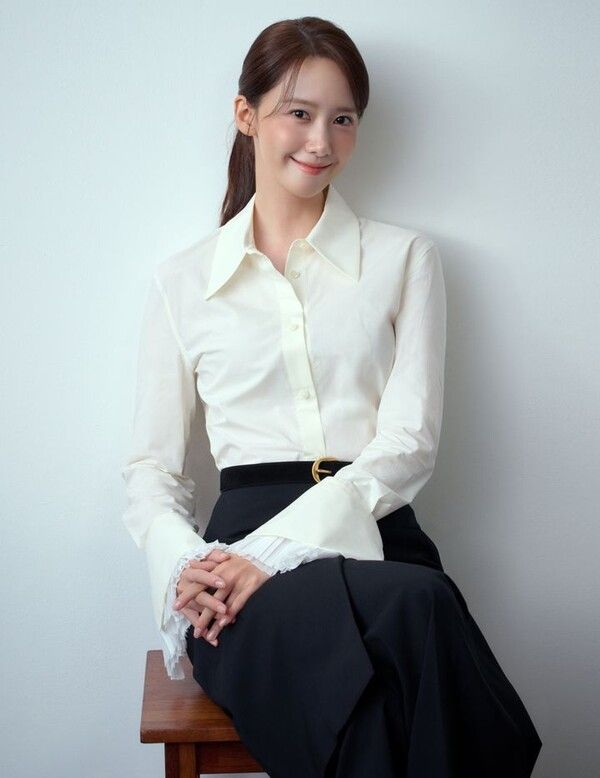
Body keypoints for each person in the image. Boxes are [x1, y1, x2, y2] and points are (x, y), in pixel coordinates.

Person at [121, 15, 543, 778]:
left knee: (416, 604)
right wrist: (186, 569)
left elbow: (409, 443)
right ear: (246, 114)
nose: (322, 141)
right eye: (299, 113)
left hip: (374, 537)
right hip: (234, 570)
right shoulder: (182, 282)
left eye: (343, 119)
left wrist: (270, 554)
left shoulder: (406, 258)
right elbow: (152, 469)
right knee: (413, 630)